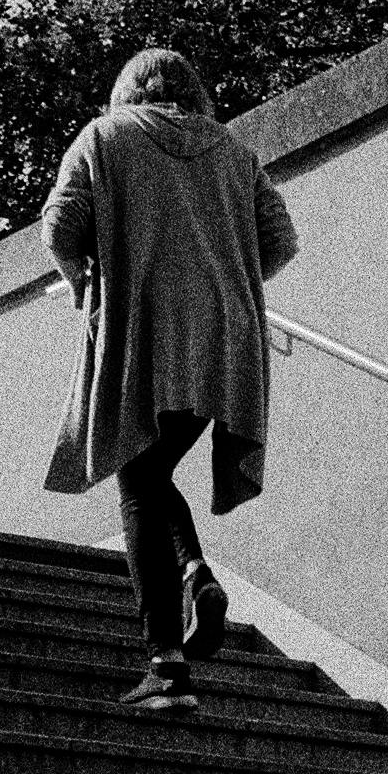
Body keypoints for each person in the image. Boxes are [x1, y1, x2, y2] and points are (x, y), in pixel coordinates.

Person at [41, 48, 299, 712]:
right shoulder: (233, 152)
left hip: (144, 334)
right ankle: (196, 575)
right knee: (149, 474)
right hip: (223, 345)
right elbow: (281, 240)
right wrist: (224, 289)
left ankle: (167, 665)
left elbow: (58, 229)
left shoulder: (104, 137)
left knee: (136, 484)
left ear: (128, 90)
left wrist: (84, 285)